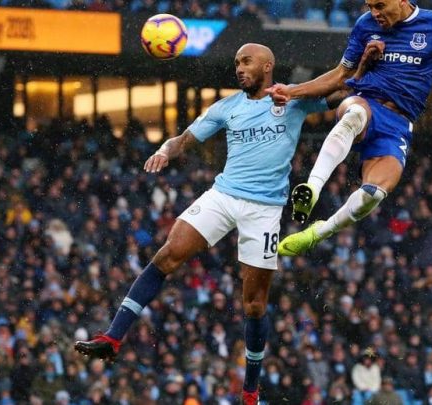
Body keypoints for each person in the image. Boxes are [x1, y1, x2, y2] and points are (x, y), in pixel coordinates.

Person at [73, 43, 329, 405]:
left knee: (255, 305)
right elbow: (184, 140)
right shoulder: (226, 107)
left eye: (246, 62)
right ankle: (112, 337)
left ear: (267, 66)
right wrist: (164, 150)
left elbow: (340, 87)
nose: (239, 68)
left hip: (265, 209)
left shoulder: (294, 101)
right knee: (167, 255)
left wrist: (363, 66)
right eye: (236, 62)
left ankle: (250, 390)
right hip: (223, 195)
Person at [268, 0, 432, 256]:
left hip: (397, 125)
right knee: (354, 115)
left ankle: (318, 233)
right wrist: (292, 91)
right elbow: (340, 76)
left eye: (380, 6)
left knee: (372, 195)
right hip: (366, 102)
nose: (374, 13)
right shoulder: (365, 25)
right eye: (370, 6)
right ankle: (312, 189)